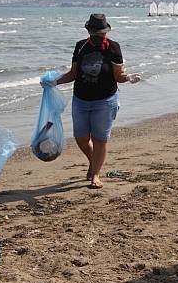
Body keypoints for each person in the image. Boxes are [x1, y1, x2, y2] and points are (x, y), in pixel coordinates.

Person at [48, 14, 141, 189]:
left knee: (100, 139)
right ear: (89, 31)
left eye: (102, 33)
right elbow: (73, 74)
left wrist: (128, 78)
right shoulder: (80, 46)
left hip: (105, 101)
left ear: (106, 32)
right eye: (96, 33)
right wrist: (55, 81)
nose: (99, 36)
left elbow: (118, 76)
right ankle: (94, 162)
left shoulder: (113, 47)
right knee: (81, 138)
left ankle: (96, 174)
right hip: (81, 100)